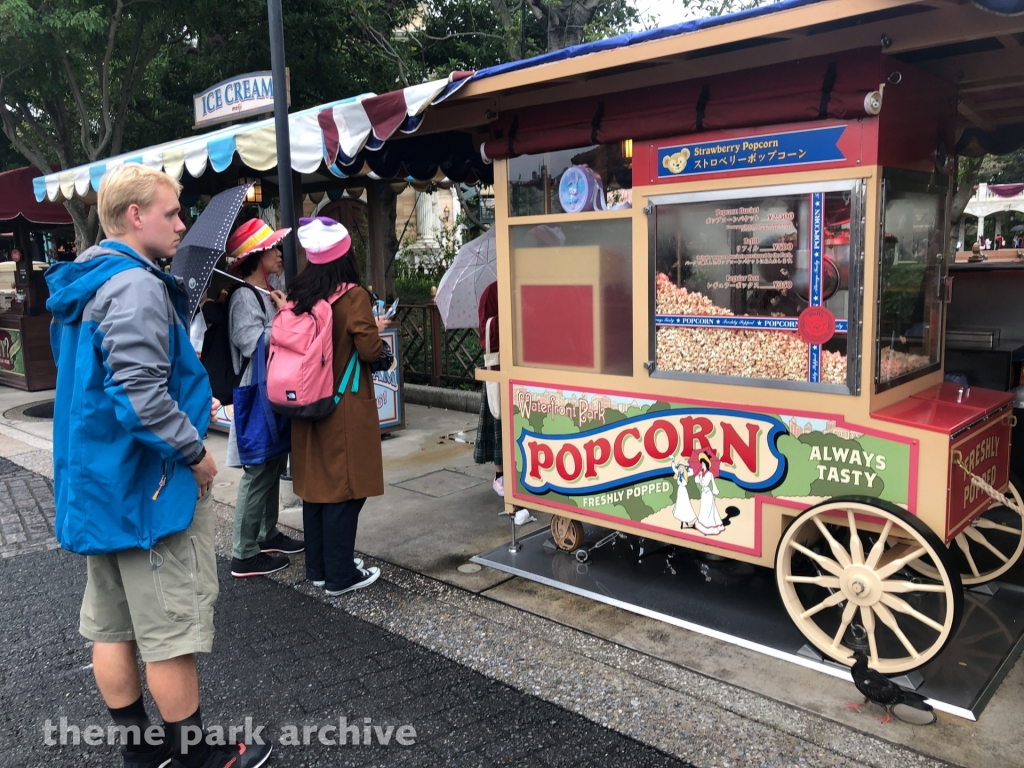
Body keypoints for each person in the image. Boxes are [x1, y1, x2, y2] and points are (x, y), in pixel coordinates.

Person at [45, 164, 271, 768]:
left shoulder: (84, 282)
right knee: (168, 631)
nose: (182, 223)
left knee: (111, 626)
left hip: (95, 484)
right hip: (146, 486)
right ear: (134, 216)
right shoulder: (138, 287)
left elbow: (92, 384)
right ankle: (195, 756)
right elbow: (141, 397)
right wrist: (196, 455)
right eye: (171, 213)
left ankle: (143, 754)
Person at [290, 217, 388, 595]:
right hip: (342, 405)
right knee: (347, 490)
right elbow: (368, 349)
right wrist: (377, 335)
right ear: (344, 256)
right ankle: (341, 575)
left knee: (316, 486)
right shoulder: (352, 296)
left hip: (305, 404)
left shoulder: (301, 293)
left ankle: (318, 567)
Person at [225, 218, 305, 579]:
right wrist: (284, 315)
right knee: (257, 469)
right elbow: (253, 342)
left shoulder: (267, 292)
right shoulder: (244, 296)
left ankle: (266, 532)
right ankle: (243, 552)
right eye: (271, 248)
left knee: (273, 464)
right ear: (257, 256)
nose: (278, 253)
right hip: (257, 391)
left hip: (272, 388)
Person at [474, 281, 504, 497]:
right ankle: (500, 474)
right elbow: (486, 336)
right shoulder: (491, 292)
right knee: (499, 418)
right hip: (499, 365)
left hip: (525, 362)